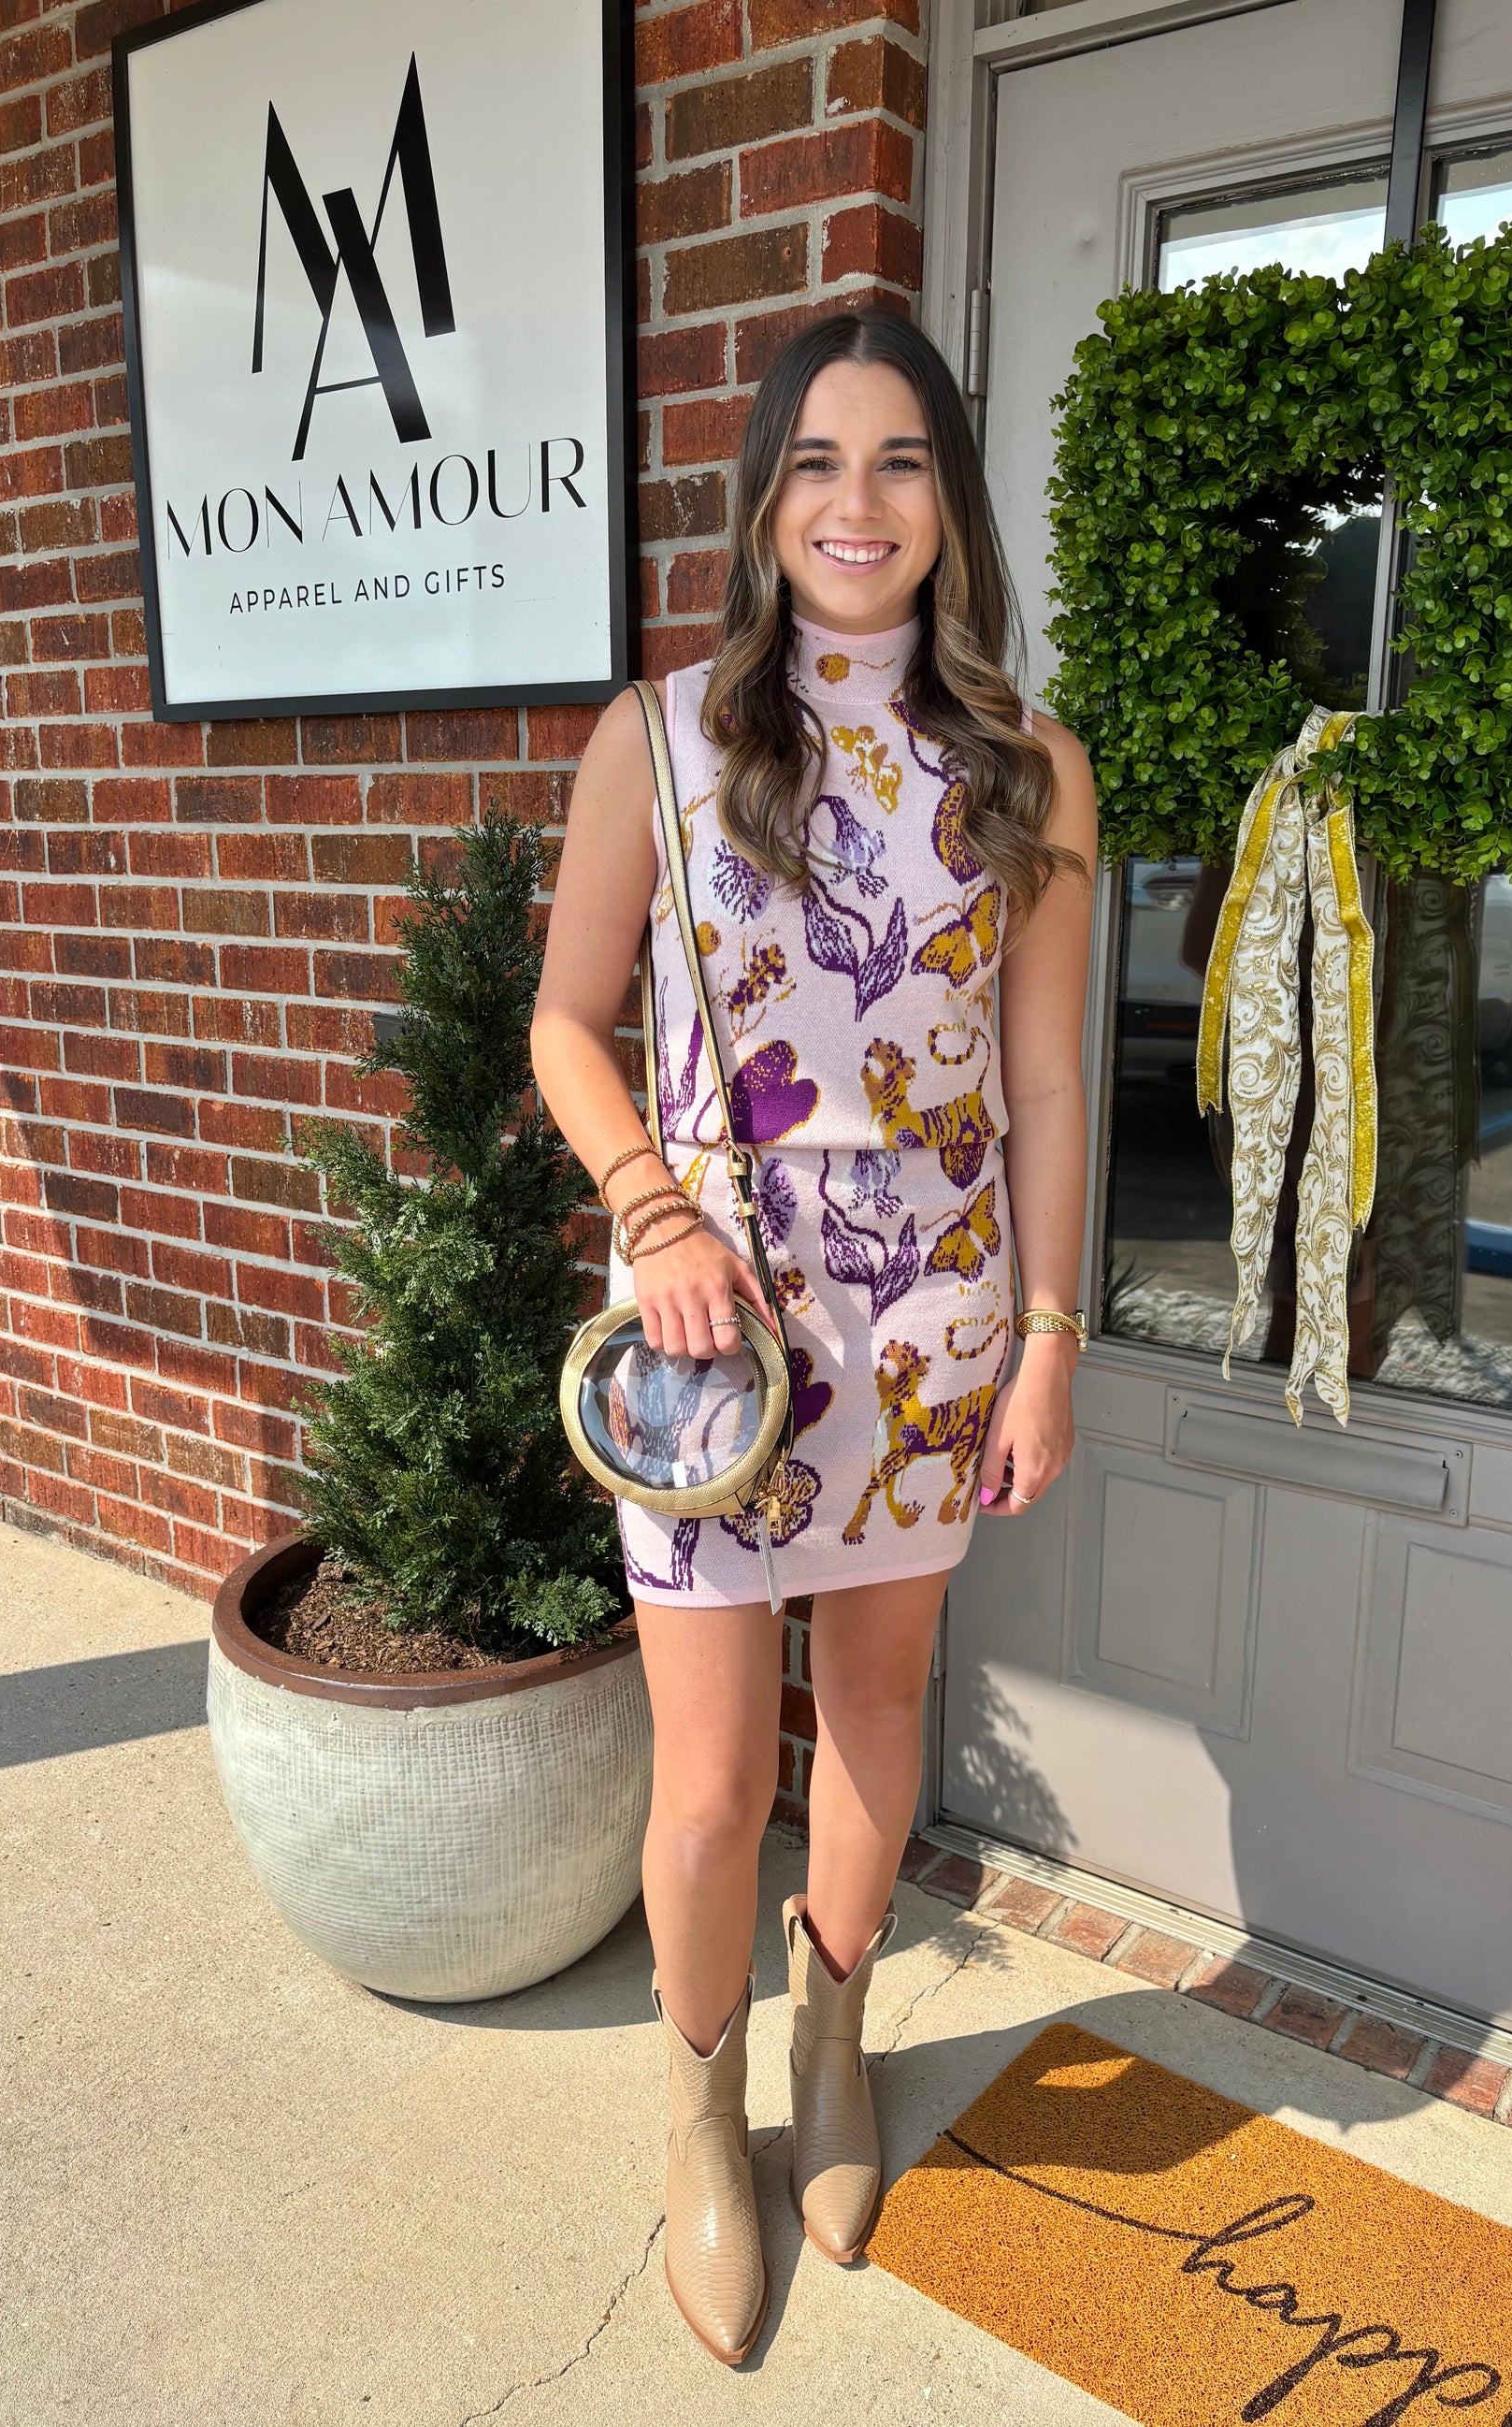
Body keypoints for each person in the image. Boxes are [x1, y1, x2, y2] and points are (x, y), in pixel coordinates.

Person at [530, 309, 1095, 2364]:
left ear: (950, 500)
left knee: (875, 1708)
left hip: (932, 1316)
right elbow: (562, 1022)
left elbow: (1048, 1081)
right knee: (701, 1782)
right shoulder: (660, 736)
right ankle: (701, 2110)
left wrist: (1049, 1338)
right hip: (710, 1321)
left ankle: (831, 2041)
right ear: (765, 498)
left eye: (902, 460)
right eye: (818, 462)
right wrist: (650, 1207)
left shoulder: (1027, 765)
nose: (859, 504)